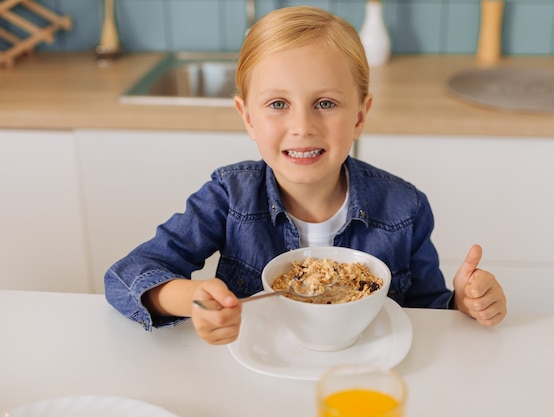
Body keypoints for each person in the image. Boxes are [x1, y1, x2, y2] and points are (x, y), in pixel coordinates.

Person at [104, 6, 507, 345]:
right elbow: (126, 276)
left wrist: (465, 304)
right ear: (247, 117)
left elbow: (427, 311)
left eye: (326, 103)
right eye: (278, 103)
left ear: (360, 116)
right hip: (257, 373)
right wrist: (193, 299)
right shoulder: (229, 196)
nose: (303, 125)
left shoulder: (405, 207)